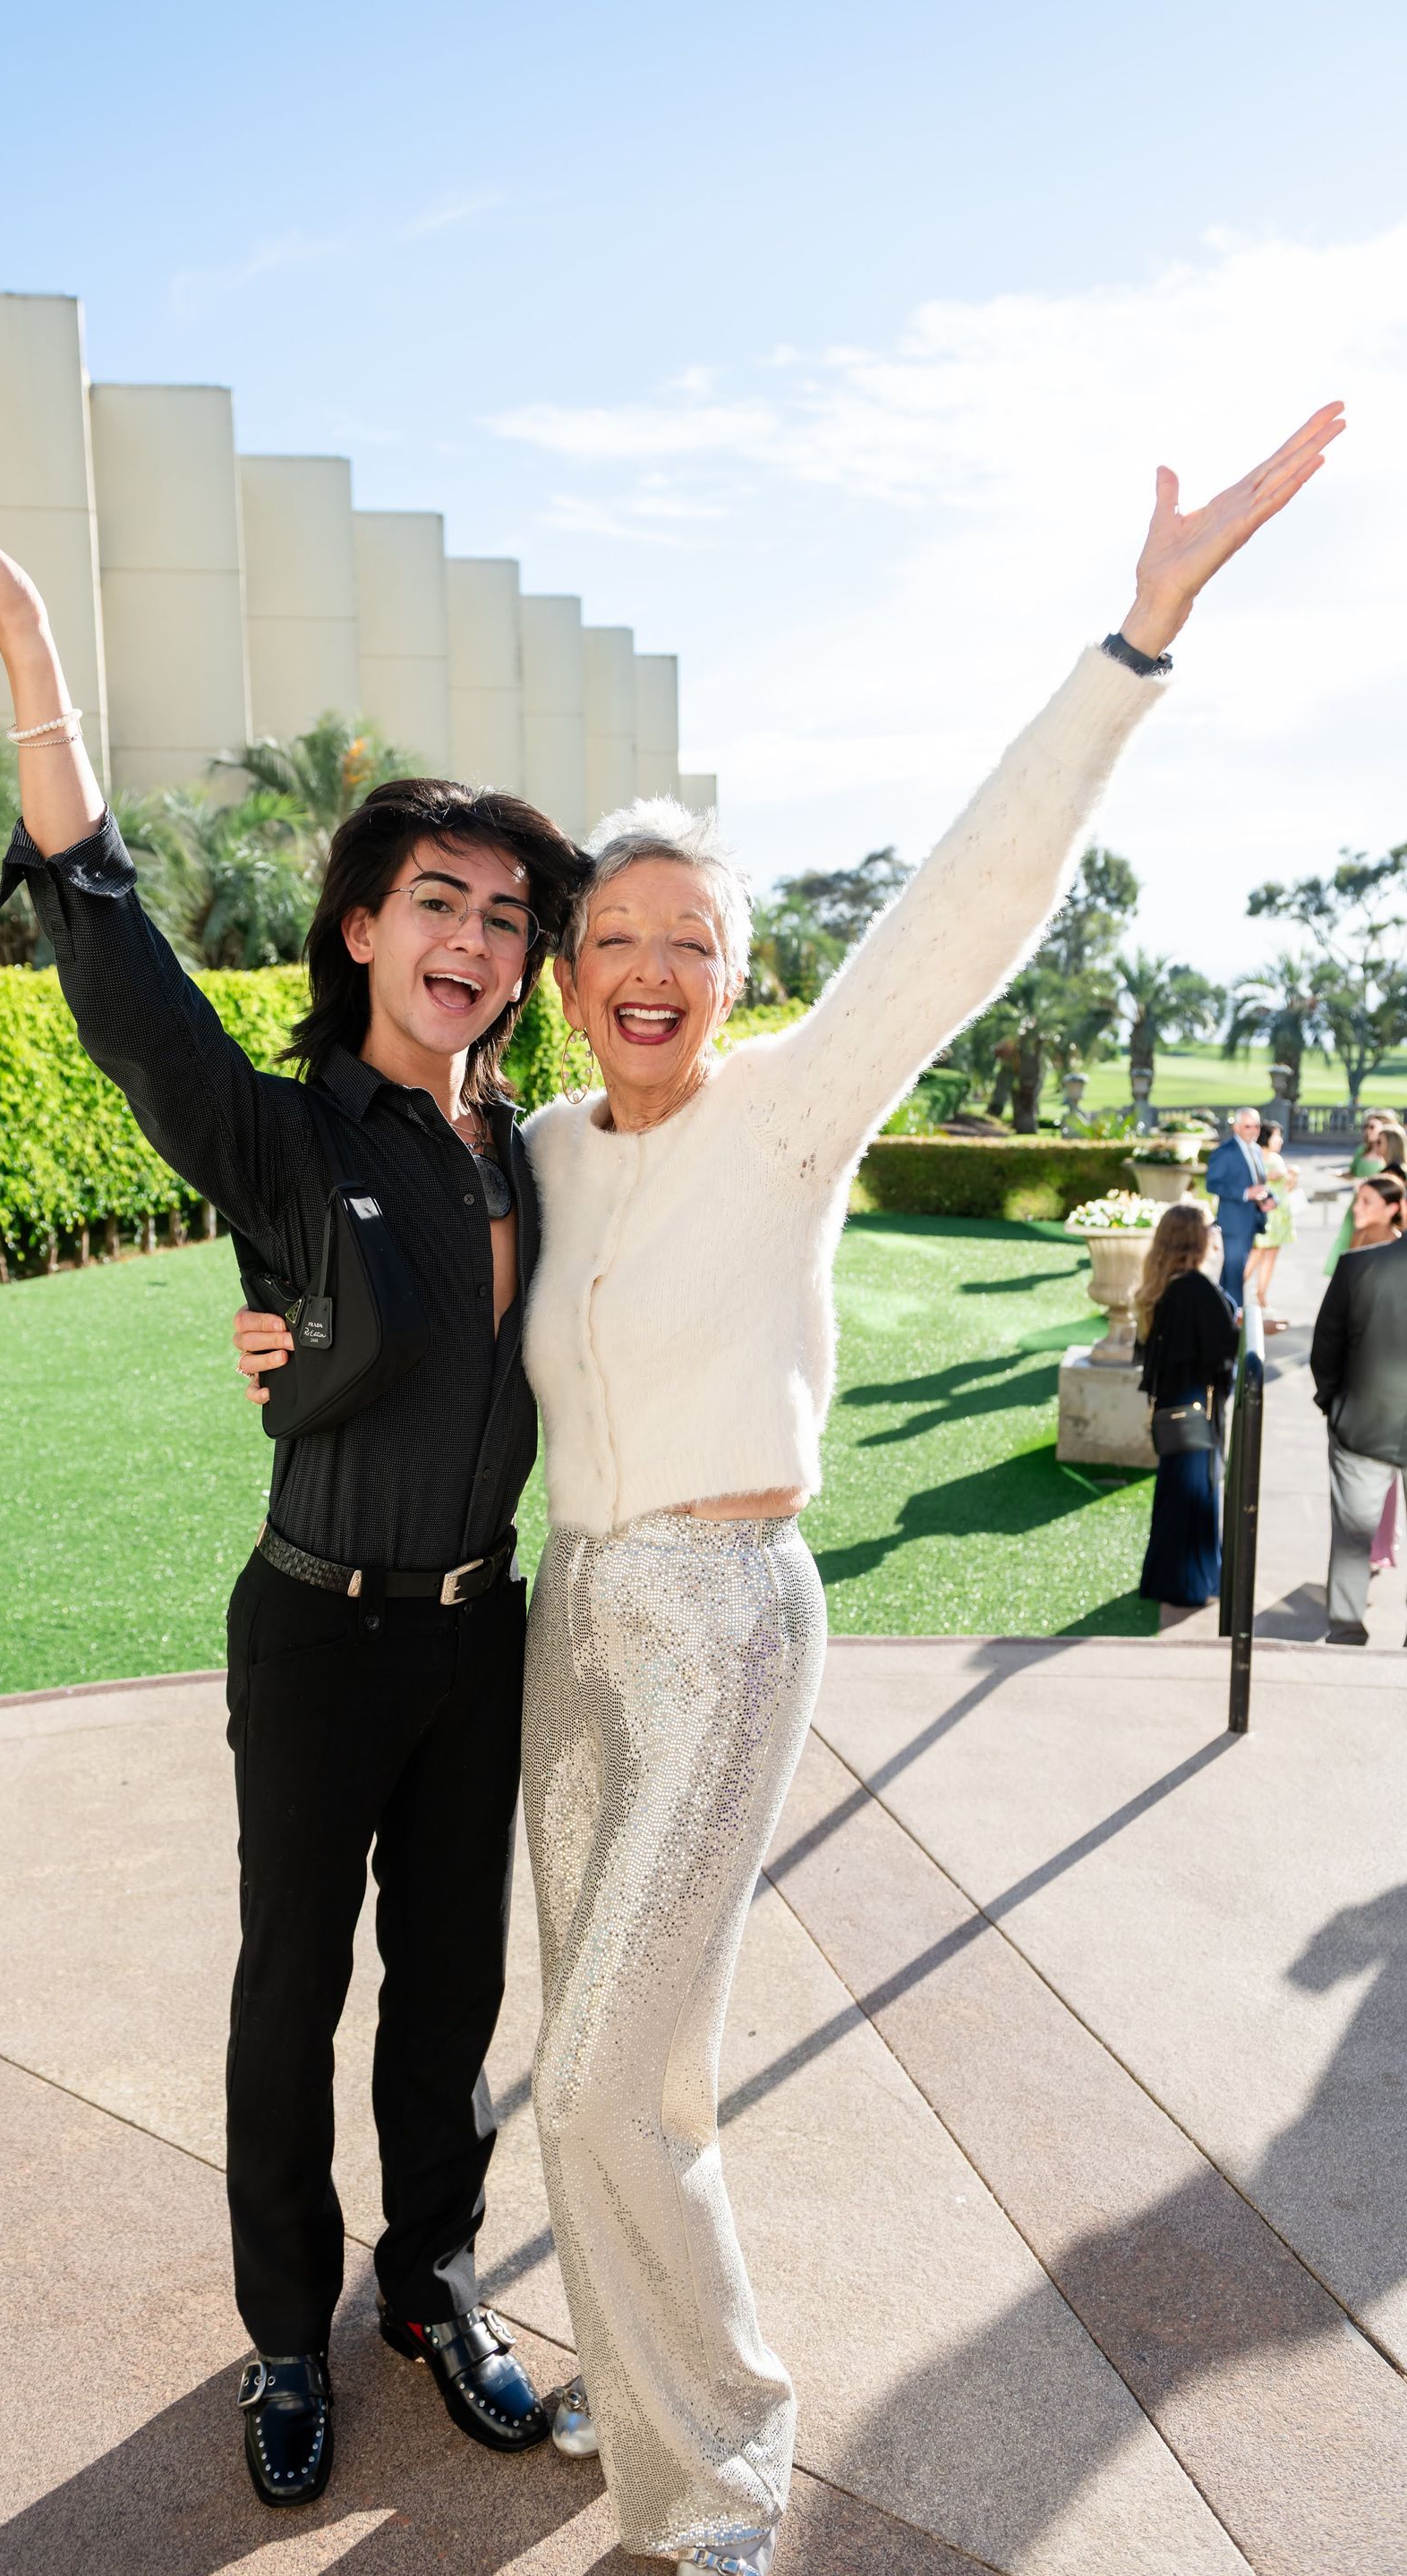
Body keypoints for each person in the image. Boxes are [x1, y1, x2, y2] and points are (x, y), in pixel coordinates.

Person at [506, 405, 1342, 2576]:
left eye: (692, 938)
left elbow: (967, 905)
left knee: (600, 2076)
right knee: (605, 2060)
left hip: (723, 1614)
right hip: (567, 1625)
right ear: (569, 974)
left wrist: (1133, 644)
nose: (653, 968)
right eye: (616, 938)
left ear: (738, 970)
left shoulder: (793, 1111)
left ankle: (722, 2473)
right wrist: (287, 1333)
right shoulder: (536, 1156)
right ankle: (639, 2394)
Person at [0, 431, 591, 2506]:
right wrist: (23, 632)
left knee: (453, 1992)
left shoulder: (546, 1152)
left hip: (484, 1634)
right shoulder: (282, 1132)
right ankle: (285, 2331)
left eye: (505, 916)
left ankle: (432, 2288)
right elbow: (114, 963)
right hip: (318, 1630)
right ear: (360, 929)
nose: (474, 936)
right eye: (436, 901)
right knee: (291, 1995)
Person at [1313, 1171, 1407, 1645]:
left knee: (1352, 1537)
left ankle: (1347, 1632)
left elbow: (1324, 1351)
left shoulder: (1356, 1267)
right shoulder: (1356, 1266)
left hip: (1362, 1424)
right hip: (1362, 1423)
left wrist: (1333, 1403)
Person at [1136, 1203, 1240, 1609]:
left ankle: (1178, 1579)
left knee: (1179, 1491)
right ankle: (1187, 1584)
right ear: (1194, 1238)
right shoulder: (1193, 1287)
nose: (1216, 1232)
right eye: (1209, 1226)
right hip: (1195, 1405)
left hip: (1177, 1404)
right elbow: (1217, 1348)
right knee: (1193, 1493)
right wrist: (1249, 1329)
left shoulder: (1167, 1283)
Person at [1206, 1105, 1274, 1306]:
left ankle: (1225, 1313)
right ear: (1236, 1127)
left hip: (1251, 1222)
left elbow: (1260, 1183)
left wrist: (1271, 1199)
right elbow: (1212, 1184)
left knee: (1233, 1276)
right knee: (1234, 1277)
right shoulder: (1224, 1152)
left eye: (1257, 1126)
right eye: (1247, 1126)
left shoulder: (1256, 1149)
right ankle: (1236, 1317)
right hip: (1233, 1225)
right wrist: (1245, 1193)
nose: (1253, 1131)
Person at [1243, 1120, 1299, 1323]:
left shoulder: (1277, 1158)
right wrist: (1269, 1176)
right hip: (1264, 1213)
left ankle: (1261, 1296)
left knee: (1271, 1257)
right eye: (1277, 1136)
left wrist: (1293, 1176)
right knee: (1255, 1254)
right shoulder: (1254, 1155)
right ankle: (1236, 1291)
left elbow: (1287, 1188)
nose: (1280, 1140)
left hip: (1280, 1214)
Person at [1323, 1110, 1390, 1274]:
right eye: (1366, 1126)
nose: (1368, 1130)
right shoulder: (1362, 1150)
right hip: (1357, 1203)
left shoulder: (1389, 1153)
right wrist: (1337, 1174)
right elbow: (1353, 1173)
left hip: (1376, 1207)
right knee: (1350, 1241)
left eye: (1372, 1126)